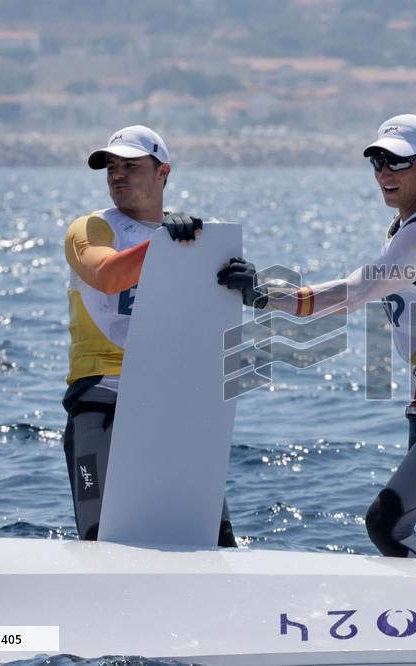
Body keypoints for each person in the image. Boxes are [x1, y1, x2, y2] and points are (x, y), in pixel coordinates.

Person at [217, 114, 416, 561]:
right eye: (377, 162)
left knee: (388, 526)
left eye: (397, 163)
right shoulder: (410, 226)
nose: (384, 174)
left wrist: (264, 297)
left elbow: (352, 294)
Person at [63, 124, 236, 546]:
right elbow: (107, 276)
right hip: (100, 402)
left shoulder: (194, 238)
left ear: (163, 172)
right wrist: (164, 244)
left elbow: (208, 324)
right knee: (99, 537)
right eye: (111, 167)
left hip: (171, 404)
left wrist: (243, 285)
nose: (117, 174)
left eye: (131, 166)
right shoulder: (91, 229)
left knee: (217, 539)